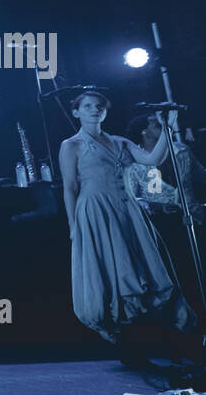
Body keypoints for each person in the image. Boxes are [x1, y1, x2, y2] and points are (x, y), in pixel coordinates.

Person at [59, 90, 197, 365]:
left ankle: (159, 341)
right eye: (87, 106)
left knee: (143, 268)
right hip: (96, 210)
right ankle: (130, 347)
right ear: (77, 112)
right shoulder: (71, 145)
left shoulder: (119, 141)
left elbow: (153, 160)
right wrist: (73, 226)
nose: (94, 110)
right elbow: (70, 188)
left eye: (99, 106)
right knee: (113, 271)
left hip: (127, 210)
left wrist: (167, 127)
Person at [124, 112, 205, 223]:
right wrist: (156, 206)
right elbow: (130, 198)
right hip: (161, 224)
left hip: (195, 217)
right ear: (145, 133)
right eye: (157, 125)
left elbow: (201, 176)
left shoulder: (181, 151)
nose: (164, 125)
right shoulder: (133, 163)